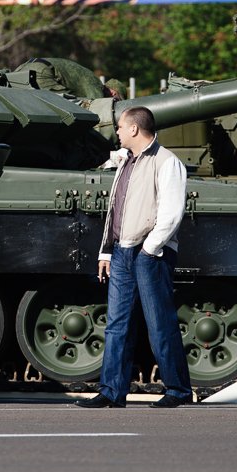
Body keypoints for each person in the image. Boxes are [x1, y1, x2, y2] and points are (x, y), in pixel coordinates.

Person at [77, 105, 192, 408]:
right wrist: (106, 250)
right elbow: (114, 211)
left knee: (159, 323)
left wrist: (149, 250)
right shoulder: (125, 161)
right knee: (117, 325)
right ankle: (111, 391)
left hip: (150, 254)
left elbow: (172, 213)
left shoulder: (167, 162)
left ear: (134, 129)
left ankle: (178, 391)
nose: (116, 131)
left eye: (119, 126)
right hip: (121, 252)